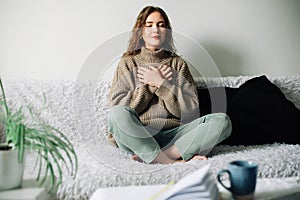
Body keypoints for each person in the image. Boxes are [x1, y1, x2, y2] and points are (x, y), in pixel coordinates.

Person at [107, 5, 232, 164]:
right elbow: (119, 108)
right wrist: (149, 86)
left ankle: (161, 156)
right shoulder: (127, 63)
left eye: (161, 25)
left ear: (167, 31)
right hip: (139, 135)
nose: (156, 30)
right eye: (149, 25)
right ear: (141, 31)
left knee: (223, 121)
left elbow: (191, 111)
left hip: (175, 136)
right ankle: (169, 161)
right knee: (116, 114)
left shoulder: (178, 64)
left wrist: (164, 84)